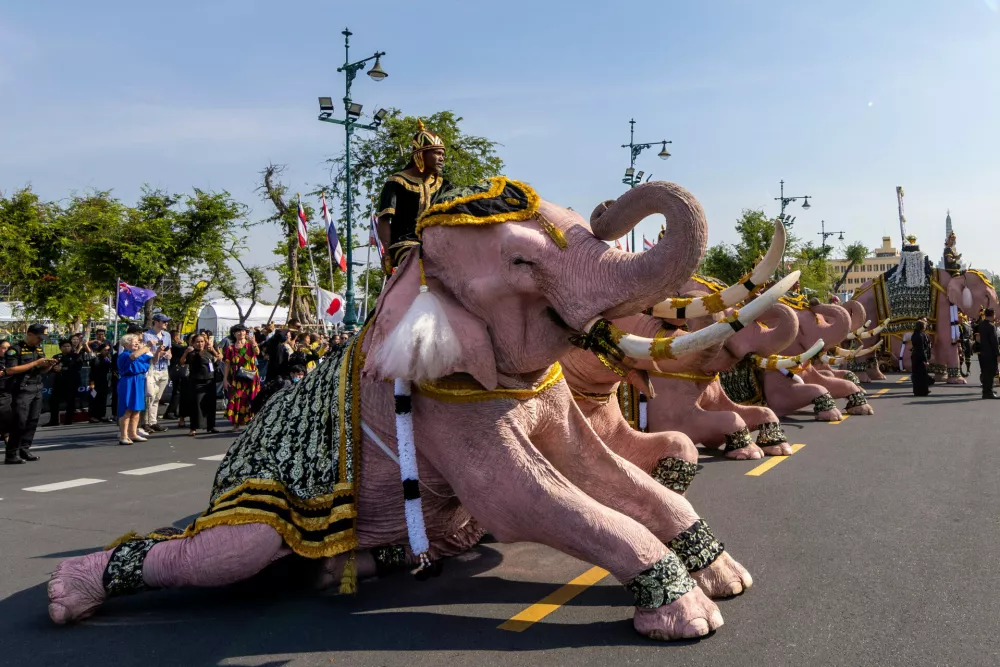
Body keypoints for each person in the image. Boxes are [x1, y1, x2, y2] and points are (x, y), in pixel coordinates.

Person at [376, 120, 450, 271]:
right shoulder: (396, 182)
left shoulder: (445, 186)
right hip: (404, 244)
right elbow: (384, 219)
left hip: (436, 244)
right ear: (421, 154)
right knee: (419, 261)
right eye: (437, 153)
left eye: (443, 154)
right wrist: (386, 253)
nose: (442, 158)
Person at [4, 324, 59, 463]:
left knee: (33, 420)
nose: (41, 341)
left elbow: (41, 371)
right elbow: (10, 370)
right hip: (22, 389)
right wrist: (35, 363)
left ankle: (25, 449)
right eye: (39, 337)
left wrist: (49, 365)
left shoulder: (39, 349)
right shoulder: (15, 350)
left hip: (37, 387)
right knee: (19, 421)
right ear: (29, 334)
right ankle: (11, 453)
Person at [180, 334, 221, 437]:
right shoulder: (192, 353)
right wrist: (207, 346)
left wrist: (214, 351)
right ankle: (193, 427)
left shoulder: (208, 352)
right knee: (196, 405)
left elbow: (218, 359)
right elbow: (190, 360)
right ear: (193, 343)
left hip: (210, 381)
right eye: (197, 342)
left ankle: (210, 426)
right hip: (197, 381)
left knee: (210, 404)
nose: (200, 344)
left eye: (202, 341)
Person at [222, 324, 260, 432]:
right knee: (236, 398)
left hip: (250, 375)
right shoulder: (230, 348)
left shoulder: (249, 345)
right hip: (236, 376)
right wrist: (225, 379)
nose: (241, 333)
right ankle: (236, 423)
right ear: (234, 334)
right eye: (238, 331)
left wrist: (254, 343)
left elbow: (257, 353)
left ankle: (252, 421)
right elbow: (227, 364)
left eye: (243, 331)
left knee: (251, 398)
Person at [117, 334, 153, 445]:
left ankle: (133, 434)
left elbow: (152, 359)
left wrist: (159, 351)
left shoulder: (140, 354)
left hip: (139, 380)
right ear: (126, 344)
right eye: (134, 341)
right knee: (127, 410)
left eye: (138, 341)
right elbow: (133, 356)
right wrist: (147, 346)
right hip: (129, 381)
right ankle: (124, 436)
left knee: (137, 409)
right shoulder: (124, 355)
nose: (137, 343)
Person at [47, 339, 88, 425]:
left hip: (71, 382)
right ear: (60, 348)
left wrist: (63, 368)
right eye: (64, 346)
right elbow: (51, 368)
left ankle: (68, 420)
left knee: (70, 401)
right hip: (59, 382)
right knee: (53, 401)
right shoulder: (56, 356)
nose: (66, 348)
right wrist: (54, 368)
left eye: (68, 346)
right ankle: (54, 421)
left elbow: (77, 367)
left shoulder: (75, 356)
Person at [977, 308, 1000, 399]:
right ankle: (988, 392)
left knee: (986, 373)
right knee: (990, 373)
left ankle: (986, 390)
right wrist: (998, 354)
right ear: (992, 315)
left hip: (983, 352)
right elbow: (994, 341)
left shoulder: (981, 325)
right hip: (991, 353)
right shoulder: (991, 326)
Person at [88, 343, 113, 423]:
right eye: (105, 350)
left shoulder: (108, 358)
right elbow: (94, 369)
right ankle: (93, 416)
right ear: (100, 350)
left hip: (105, 382)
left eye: (108, 350)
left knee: (103, 399)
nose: (107, 352)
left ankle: (102, 415)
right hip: (95, 382)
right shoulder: (97, 359)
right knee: (95, 398)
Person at [910, 319, 933, 397]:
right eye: (924, 325)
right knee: (922, 374)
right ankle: (923, 391)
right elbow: (922, 349)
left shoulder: (915, 334)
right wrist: (925, 359)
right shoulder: (920, 335)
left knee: (917, 375)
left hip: (915, 356)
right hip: (919, 357)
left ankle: (917, 391)